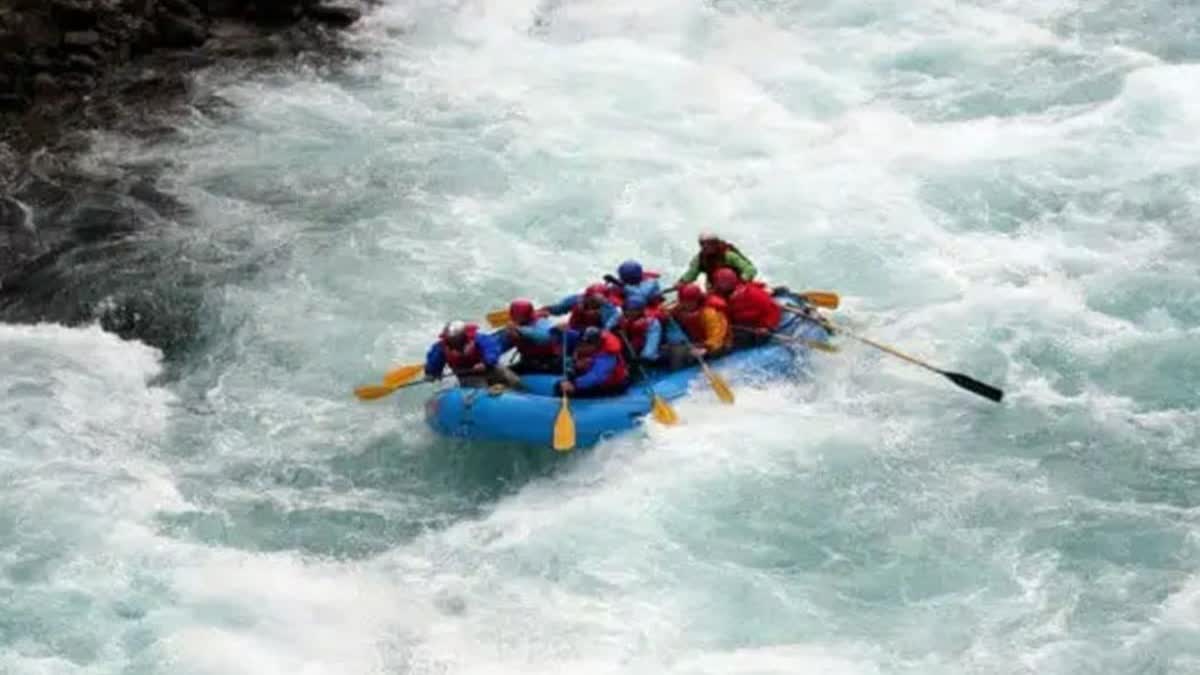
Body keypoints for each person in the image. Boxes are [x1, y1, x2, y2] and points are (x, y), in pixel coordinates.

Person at [425, 320, 521, 389]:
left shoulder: (478, 338)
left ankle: (522, 393)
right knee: (479, 387)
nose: (453, 341)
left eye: (456, 338)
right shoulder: (441, 347)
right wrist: (431, 373)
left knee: (512, 379)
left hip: (488, 367)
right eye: (451, 339)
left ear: (463, 335)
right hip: (467, 374)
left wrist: (485, 363)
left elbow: (492, 349)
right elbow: (434, 361)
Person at [662, 283, 731, 369]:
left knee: (681, 355)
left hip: (716, 345)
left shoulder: (709, 313)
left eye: (687, 302)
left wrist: (706, 348)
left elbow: (717, 336)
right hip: (698, 342)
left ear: (696, 300)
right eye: (682, 301)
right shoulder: (682, 307)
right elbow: (670, 312)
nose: (684, 304)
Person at [710, 267, 781, 348]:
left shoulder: (738, 302)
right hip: (771, 312)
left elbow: (734, 319)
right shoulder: (745, 286)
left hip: (765, 327)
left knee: (733, 338)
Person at [553, 326, 631, 398]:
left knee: (567, 390)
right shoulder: (592, 344)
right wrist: (559, 330)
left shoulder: (607, 356)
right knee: (560, 385)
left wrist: (575, 384)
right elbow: (571, 334)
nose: (580, 348)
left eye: (584, 345)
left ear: (595, 344)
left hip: (612, 386)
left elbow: (597, 376)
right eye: (581, 344)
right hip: (591, 376)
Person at [496, 299, 561, 374]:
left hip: (548, 363)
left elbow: (545, 338)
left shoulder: (541, 323)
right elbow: (499, 346)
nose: (516, 318)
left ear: (527, 315)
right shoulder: (511, 328)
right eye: (514, 315)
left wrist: (519, 330)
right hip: (527, 362)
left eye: (519, 316)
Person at [675, 232, 758, 290]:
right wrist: (682, 282)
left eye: (710, 243)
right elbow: (691, 273)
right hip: (717, 290)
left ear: (716, 243)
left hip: (737, 287)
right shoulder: (700, 259)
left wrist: (741, 281)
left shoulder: (728, 255)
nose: (707, 246)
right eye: (703, 244)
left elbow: (750, 269)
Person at [544, 283, 621, 331]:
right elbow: (557, 309)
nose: (597, 302)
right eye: (594, 299)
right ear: (587, 297)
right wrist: (542, 312)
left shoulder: (608, 309)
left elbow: (609, 325)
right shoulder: (577, 300)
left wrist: (599, 332)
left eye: (600, 300)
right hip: (575, 331)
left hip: (594, 337)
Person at [616, 295, 664, 365]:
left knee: (647, 355)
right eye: (627, 310)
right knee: (628, 354)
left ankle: (664, 356)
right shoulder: (627, 319)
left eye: (632, 310)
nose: (629, 312)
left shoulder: (651, 320)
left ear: (640, 310)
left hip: (651, 332)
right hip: (639, 337)